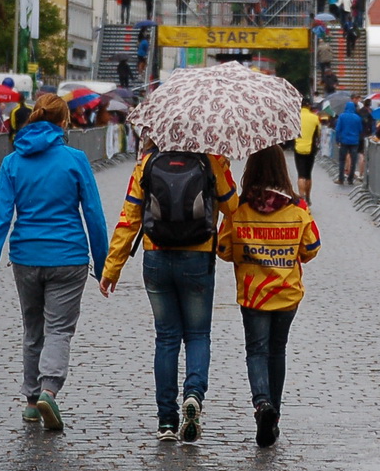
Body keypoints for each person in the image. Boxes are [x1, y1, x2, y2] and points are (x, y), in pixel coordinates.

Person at [0, 93, 108, 432]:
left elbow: (1, 217)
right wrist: (105, 265)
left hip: (25, 257)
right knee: (59, 329)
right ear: (64, 123)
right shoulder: (75, 160)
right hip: (69, 257)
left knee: (33, 329)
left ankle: (32, 401)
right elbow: (93, 215)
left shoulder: (12, 163)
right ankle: (49, 389)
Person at [99, 142, 238, 443]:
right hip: (198, 257)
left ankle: (166, 421)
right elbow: (232, 206)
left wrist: (112, 267)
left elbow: (129, 218)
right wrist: (222, 167)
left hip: (157, 257)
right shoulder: (209, 160)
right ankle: (194, 395)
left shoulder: (147, 163)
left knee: (166, 337)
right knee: (198, 334)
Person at [215, 147, 319, 448]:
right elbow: (311, 249)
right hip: (286, 293)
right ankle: (275, 412)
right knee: (277, 351)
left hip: (253, 294)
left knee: (256, 351)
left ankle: (262, 405)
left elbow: (223, 250)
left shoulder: (238, 210)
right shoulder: (298, 209)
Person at [293, 99, 319, 202]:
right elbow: (318, 133)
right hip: (311, 148)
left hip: (298, 147)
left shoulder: (296, 117)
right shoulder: (315, 118)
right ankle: (308, 197)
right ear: (309, 106)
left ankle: (301, 197)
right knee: (308, 174)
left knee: (301, 174)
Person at [332, 101, 364, 185]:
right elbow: (360, 129)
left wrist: (337, 140)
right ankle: (350, 179)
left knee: (342, 160)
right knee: (353, 161)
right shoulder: (357, 118)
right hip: (354, 141)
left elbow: (338, 129)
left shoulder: (342, 116)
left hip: (344, 141)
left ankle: (341, 178)